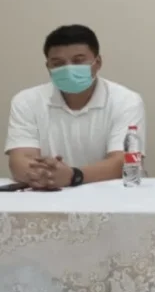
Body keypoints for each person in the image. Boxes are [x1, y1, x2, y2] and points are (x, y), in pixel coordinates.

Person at [5, 25, 145, 189]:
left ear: (98, 62)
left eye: (78, 61)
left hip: (111, 194)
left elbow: (123, 162)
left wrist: (72, 176)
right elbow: (20, 160)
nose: (68, 68)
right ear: (48, 67)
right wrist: (47, 176)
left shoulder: (126, 100)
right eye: (58, 63)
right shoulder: (26, 101)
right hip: (47, 193)